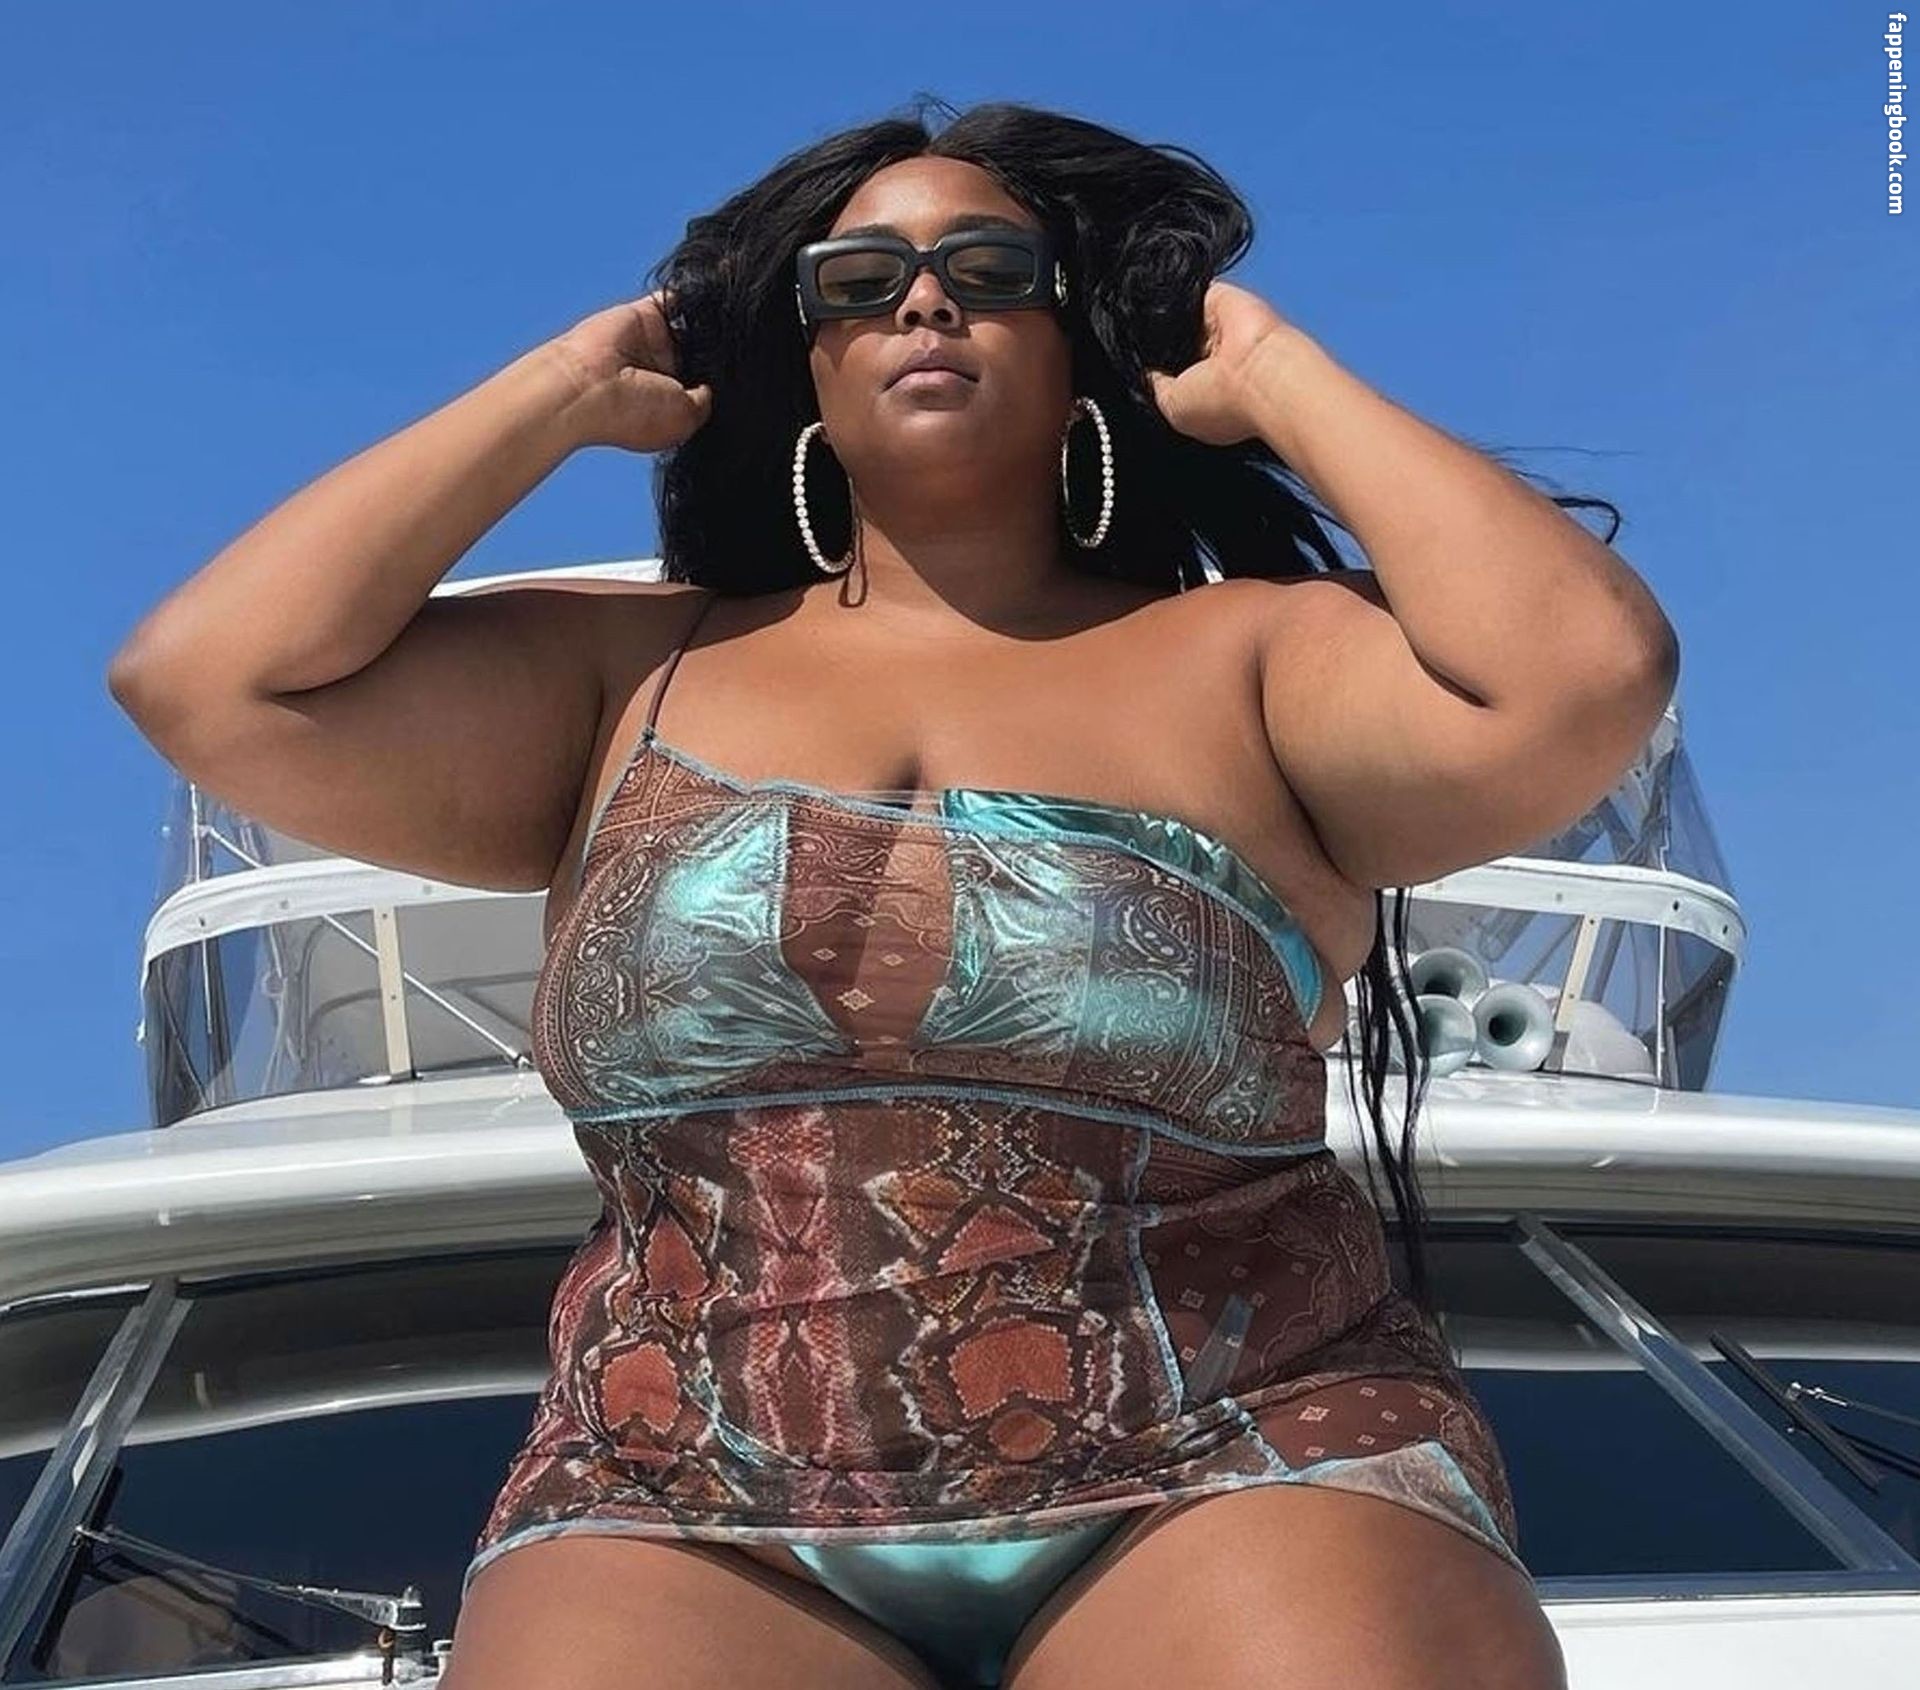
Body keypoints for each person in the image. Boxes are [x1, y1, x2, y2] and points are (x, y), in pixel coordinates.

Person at [109, 97, 1676, 1690]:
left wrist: (1268, 364)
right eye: (858, 283)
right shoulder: (622, 676)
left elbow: (1585, 672)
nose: (925, 302)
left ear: (1076, 346)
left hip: (1241, 1449)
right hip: (678, 1497)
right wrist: (567, 385)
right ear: (805, 362)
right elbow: (205, 679)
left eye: (989, 271)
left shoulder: (1255, 659)